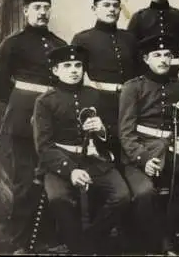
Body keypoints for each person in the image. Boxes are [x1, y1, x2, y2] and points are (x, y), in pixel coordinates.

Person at [0, 0, 67, 253]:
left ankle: (47, 237)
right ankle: (20, 241)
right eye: (37, 8)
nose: (42, 12)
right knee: (25, 182)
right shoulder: (13, 43)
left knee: (52, 179)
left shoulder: (59, 45)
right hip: (23, 122)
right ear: (25, 11)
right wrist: (21, 105)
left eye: (46, 8)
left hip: (53, 122)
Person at [119, 34, 179, 255]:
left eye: (167, 55)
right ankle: (152, 242)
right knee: (144, 194)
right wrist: (142, 159)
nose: (163, 60)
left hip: (171, 149)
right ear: (146, 59)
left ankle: (170, 230)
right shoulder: (133, 88)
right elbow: (125, 132)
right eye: (157, 55)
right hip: (141, 151)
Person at [32, 45, 130, 254]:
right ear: (55, 70)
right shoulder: (45, 101)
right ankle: (80, 248)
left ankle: (89, 240)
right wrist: (70, 170)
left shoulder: (95, 95)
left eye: (78, 65)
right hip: (59, 161)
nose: (74, 70)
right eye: (67, 66)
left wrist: (102, 130)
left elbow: (114, 131)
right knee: (59, 198)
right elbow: (44, 146)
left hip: (94, 158)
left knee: (122, 196)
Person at [71, 0, 139, 165]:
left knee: (129, 155)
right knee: (103, 158)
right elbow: (75, 78)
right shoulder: (82, 39)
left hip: (128, 105)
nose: (112, 9)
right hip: (99, 104)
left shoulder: (129, 38)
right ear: (94, 9)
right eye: (106, 5)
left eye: (115, 5)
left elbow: (140, 74)